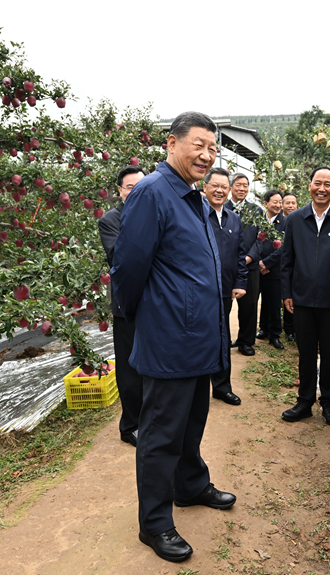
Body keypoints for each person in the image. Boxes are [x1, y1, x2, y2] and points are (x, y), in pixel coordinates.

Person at [112, 111, 236, 563]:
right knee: (161, 433)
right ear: (171, 143)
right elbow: (127, 269)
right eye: (198, 145)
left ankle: (191, 485)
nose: (207, 155)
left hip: (198, 338)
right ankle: (155, 522)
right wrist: (140, 317)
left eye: (212, 147)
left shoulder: (194, 197)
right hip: (170, 339)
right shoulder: (152, 193)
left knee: (192, 422)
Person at [280, 167, 330, 425]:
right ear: (309, 185)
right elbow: (287, 260)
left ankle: (327, 401)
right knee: (305, 352)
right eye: (317, 183)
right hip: (301, 299)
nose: (321, 188)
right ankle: (304, 401)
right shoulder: (295, 219)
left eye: (327, 184)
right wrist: (287, 293)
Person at [97, 165, 146, 446]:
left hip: (153, 302)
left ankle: (147, 420)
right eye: (130, 187)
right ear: (120, 191)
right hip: (127, 305)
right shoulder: (111, 220)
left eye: (141, 186)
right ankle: (129, 426)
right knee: (129, 367)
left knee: (150, 363)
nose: (136, 191)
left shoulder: (153, 215)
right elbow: (118, 257)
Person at [204, 167, 247, 406]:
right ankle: (197, 388)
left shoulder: (234, 219)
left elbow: (240, 254)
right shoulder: (196, 215)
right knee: (200, 337)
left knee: (222, 337)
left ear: (228, 191)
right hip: (200, 290)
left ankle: (222, 386)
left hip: (225, 290)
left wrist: (240, 282)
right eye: (215, 186)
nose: (219, 191)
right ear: (205, 187)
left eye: (224, 187)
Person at [226, 174, 262, 357]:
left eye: (245, 185)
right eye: (238, 185)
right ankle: (222, 341)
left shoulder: (256, 211)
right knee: (223, 305)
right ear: (231, 187)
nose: (242, 188)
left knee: (249, 306)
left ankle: (246, 341)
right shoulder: (221, 208)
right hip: (226, 267)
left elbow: (261, 239)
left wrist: (249, 257)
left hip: (250, 267)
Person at [256, 189, 286, 350]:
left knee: (274, 303)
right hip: (258, 268)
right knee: (264, 302)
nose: (278, 205)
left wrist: (266, 263)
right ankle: (263, 328)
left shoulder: (285, 222)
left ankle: (275, 334)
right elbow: (254, 242)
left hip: (274, 270)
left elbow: (284, 248)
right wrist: (258, 262)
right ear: (266, 203)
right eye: (275, 202)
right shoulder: (258, 221)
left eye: (280, 202)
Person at [281, 193, 299, 341]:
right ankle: (288, 329)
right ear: (282, 205)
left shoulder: (300, 221)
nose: (290, 206)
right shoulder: (279, 222)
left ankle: (293, 329)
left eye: (293, 203)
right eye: (288, 203)